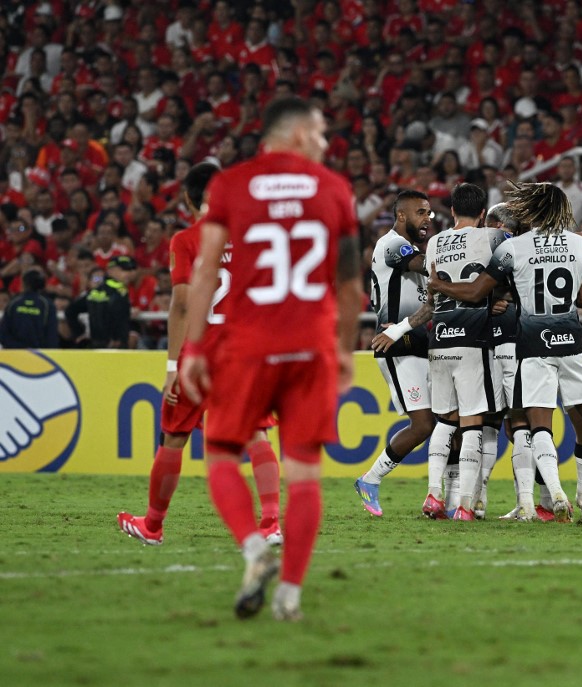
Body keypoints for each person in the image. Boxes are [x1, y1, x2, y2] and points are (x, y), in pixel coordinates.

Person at [179, 97, 361, 621]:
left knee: (220, 454)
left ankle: (255, 549)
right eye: (321, 133)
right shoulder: (334, 188)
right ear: (299, 134)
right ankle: (290, 597)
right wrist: (343, 348)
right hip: (311, 347)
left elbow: (206, 271)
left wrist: (194, 348)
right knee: (304, 473)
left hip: (248, 345)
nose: (325, 143)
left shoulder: (230, 186)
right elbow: (350, 285)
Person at [429, 182, 582, 522]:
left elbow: (475, 292)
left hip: (533, 346)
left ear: (532, 209)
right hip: (571, 343)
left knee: (539, 427)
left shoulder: (513, 248)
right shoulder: (580, 245)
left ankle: (556, 495)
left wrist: (439, 284)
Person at [116, 162, 282, 547]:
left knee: (174, 437)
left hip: (198, 355)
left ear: (188, 200)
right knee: (256, 434)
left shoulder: (186, 240)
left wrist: (172, 365)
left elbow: (181, 304)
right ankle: (271, 523)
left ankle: (152, 526)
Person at [357, 189, 457, 519]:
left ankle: (449, 499)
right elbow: (423, 265)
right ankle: (370, 479)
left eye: (429, 212)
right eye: (421, 212)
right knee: (423, 424)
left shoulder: (410, 247)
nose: (428, 218)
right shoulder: (391, 244)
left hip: (421, 341)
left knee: (449, 419)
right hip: (395, 344)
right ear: (401, 215)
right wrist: (458, 253)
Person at [420, 182, 506, 521]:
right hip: (473, 339)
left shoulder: (434, 243)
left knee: (445, 420)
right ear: (483, 213)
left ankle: (433, 494)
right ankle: (465, 506)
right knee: (472, 422)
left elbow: (431, 294)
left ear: (452, 210)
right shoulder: (493, 238)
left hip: (440, 338)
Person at [65, 254, 135, 349]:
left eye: (130, 270)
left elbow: (70, 310)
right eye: (124, 270)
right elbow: (117, 315)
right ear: (111, 271)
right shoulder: (119, 290)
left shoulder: (96, 291)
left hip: (96, 344)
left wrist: (79, 333)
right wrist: (116, 338)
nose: (129, 274)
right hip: (114, 345)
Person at [0, 268, 57, 348]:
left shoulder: (14, 303)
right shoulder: (47, 305)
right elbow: (51, 337)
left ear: (24, 284)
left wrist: (17, 348)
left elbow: (3, 333)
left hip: (15, 353)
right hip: (39, 353)